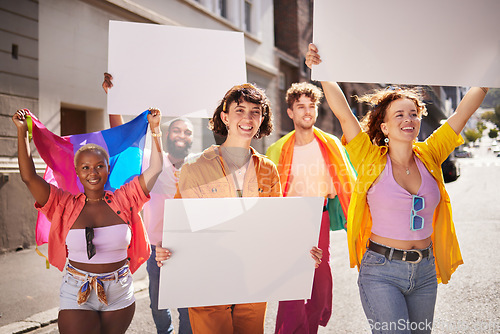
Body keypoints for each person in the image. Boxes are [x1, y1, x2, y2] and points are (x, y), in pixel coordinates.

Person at [306, 43, 489, 333]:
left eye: (413, 114)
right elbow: (344, 115)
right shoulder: (369, 157)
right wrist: (323, 72)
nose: (409, 119)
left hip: (425, 271)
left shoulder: (430, 154)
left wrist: (489, 71)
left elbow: (463, 113)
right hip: (381, 271)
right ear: (385, 127)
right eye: (399, 115)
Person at [156, 83, 323, 334]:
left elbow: (274, 226)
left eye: (255, 112)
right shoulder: (194, 167)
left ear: (262, 118)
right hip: (208, 278)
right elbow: (183, 225)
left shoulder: (268, 169)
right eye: (240, 110)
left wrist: (300, 252)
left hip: (253, 281)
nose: (248, 118)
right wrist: (166, 249)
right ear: (225, 117)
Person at [12, 107, 164, 334]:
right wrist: (22, 132)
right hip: (77, 290)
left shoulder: (124, 199)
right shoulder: (63, 204)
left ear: (108, 168)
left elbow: (156, 168)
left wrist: (155, 129)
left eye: (99, 166)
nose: (93, 172)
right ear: (77, 172)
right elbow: (28, 177)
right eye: (85, 167)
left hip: (120, 289)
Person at [102, 72, 194, 334]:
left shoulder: (198, 166)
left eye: (187, 132)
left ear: (191, 139)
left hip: (189, 247)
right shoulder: (151, 161)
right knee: (157, 302)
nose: (181, 134)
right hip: (157, 248)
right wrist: (114, 99)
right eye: (176, 129)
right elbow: (124, 140)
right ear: (167, 135)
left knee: (187, 305)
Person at [266, 82, 356, 334]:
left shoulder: (331, 144)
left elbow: (347, 183)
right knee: (292, 282)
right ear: (290, 112)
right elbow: (269, 191)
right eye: (300, 106)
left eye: (311, 106)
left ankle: (310, 328)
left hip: (320, 214)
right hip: (290, 219)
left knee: (319, 280)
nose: (307, 111)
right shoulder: (278, 148)